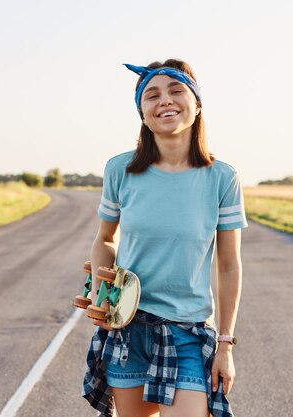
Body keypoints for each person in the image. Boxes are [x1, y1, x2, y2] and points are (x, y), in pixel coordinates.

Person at [82, 59, 246, 417]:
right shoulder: (120, 170)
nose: (165, 101)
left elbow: (229, 264)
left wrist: (226, 345)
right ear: (142, 113)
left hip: (188, 333)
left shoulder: (222, 177)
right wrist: (99, 289)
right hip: (129, 329)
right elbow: (105, 239)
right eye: (152, 95)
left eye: (176, 91)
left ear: (197, 103)